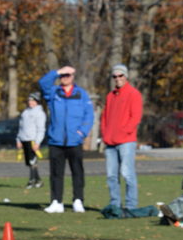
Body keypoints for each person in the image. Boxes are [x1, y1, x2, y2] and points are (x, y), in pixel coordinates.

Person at [39, 65, 94, 214]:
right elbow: (43, 83)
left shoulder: (81, 94)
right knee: (56, 173)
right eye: (63, 75)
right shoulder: (54, 92)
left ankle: (78, 200)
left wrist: (82, 132)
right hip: (56, 141)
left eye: (68, 75)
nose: (65, 78)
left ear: (73, 77)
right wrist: (57, 72)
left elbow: (89, 115)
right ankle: (56, 201)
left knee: (77, 172)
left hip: (74, 141)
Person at [100, 64, 143, 210]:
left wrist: (124, 131)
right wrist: (105, 133)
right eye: (115, 76)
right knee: (111, 175)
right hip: (110, 142)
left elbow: (135, 117)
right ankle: (115, 204)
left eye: (120, 75)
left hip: (126, 141)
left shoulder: (133, 94)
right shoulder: (110, 96)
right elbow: (104, 117)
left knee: (127, 173)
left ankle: (131, 205)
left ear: (126, 76)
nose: (118, 78)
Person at [16, 91, 46, 189]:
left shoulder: (40, 113)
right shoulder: (25, 112)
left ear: (37, 101)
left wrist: (37, 142)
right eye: (29, 100)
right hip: (24, 139)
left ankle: (31, 180)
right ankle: (38, 180)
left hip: (32, 140)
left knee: (33, 161)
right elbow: (21, 127)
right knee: (29, 162)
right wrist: (18, 139)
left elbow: (41, 129)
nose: (30, 102)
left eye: (33, 100)